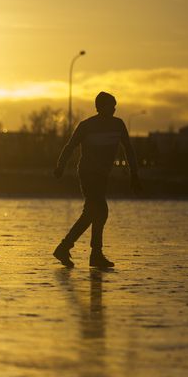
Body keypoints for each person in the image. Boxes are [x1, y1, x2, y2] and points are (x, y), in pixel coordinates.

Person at [53, 91, 142, 268]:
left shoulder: (119, 125)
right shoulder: (87, 126)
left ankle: (73, 250)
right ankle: (88, 253)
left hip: (102, 175)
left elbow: (129, 150)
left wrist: (134, 175)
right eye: (111, 105)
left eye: (115, 105)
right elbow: (70, 146)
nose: (114, 108)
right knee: (99, 210)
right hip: (87, 173)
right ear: (100, 107)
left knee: (94, 212)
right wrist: (60, 166)